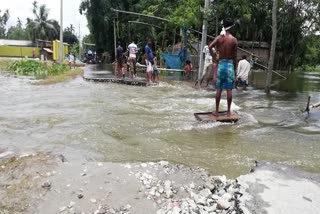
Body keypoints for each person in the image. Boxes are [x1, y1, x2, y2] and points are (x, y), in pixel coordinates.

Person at [208, 18, 238, 117]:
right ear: (231, 27)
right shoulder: (234, 40)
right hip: (229, 66)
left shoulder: (219, 38)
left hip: (221, 65)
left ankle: (216, 111)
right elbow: (234, 57)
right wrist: (235, 69)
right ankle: (228, 111)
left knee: (219, 89)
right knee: (229, 89)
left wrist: (214, 57)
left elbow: (209, 46)